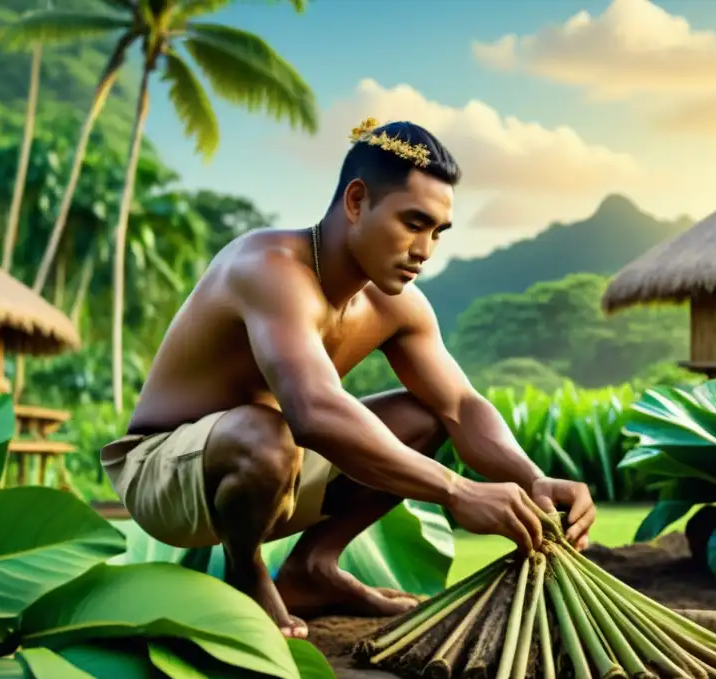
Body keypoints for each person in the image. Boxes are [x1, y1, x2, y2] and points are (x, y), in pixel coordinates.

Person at [101, 118, 597, 639]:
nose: (425, 250)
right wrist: (456, 491)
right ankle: (247, 574)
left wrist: (530, 477)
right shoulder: (268, 268)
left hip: (277, 461)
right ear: (357, 202)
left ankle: (313, 569)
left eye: (436, 232)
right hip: (166, 471)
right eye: (413, 223)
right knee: (263, 433)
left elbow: (461, 407)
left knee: (422, 414)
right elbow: (312, 413)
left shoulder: (394, 304)